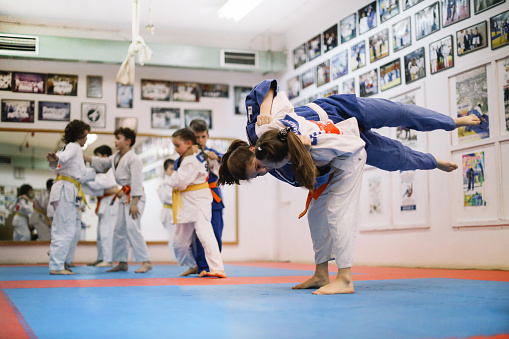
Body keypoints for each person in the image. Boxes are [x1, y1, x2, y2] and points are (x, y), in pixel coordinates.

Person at [218, 79, 480, 295]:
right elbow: (314, 178)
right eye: (259, 174)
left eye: (258, 166)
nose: (265, 171)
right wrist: (309, 160)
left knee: (400, 113)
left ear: (253, 148)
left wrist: (265, 108)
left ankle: (453, 122)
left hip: (338, 111)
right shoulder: (279, 164)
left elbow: (266, 87)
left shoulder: (262, 128)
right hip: (340, 142)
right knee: (395, 158)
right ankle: (434, 162)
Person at [85, 128, 152, 273]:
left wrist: (134, 203)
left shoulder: (134, 159)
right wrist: (83, 157)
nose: (115, 141)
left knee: (133, 228)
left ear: (128, 141)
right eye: (115, 138)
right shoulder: (116, 157)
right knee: (119, 229)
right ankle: (122, 262)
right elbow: (101, 162)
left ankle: (146, 261)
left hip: (135, 197)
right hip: (124, 197)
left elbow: (137, 182)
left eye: (118, 138)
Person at [166, 128, 226, 278]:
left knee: (205, 235)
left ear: (188, 143)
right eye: (174, 145)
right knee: (179, 241)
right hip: (186, 202)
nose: (175, 149)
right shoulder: (194, 156)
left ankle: (217, 268)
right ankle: (193, 265)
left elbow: (179, 181)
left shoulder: (193, 159)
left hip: (199, 201)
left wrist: (172, 178)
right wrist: (175, 179)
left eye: (177, 145)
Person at [47, 120, 96, 275]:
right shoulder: (73, 147)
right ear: (78, 135)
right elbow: (63, 156)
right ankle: (56, 266)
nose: (86, 139)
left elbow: (79, 173)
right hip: (65, 190)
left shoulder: (75, 150)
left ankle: (62, 262)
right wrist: (56, 158)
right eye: (85, 135)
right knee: (64, 228)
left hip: (68, 190)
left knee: (72, 228)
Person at [188, 118, 225, 277]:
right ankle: (202, 267)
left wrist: (217, 158)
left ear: (207, 136)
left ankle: (214, 266)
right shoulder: (188, 157)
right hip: (196, 199)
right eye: (197, 137)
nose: (200, 140)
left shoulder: (214, 154)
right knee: (198, 236)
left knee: (216, 233)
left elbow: (229, 162)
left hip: (214, 197)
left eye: (203, 136)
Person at [82, 145, 119, 268]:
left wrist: (87, 178)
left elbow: (100, 184)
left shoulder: (112, 170)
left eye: (98, 156)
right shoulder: (102, 173)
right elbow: (94, 190)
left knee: (106, 233)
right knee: (100, 234)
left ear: (104, 157)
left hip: (110, 203)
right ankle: (101, 257)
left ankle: (108, 259)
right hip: (104, 202)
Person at [157, 158, 177, 261]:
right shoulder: (162, 184)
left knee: (178, 235)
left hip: (177, 211)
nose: (173, 171)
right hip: (169, 212)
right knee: (172, 235)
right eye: (170, 169)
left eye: (174, 169)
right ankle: (174, 257)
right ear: (165, 171)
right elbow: (166, 198)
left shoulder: (176, 181)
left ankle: (179, 257)